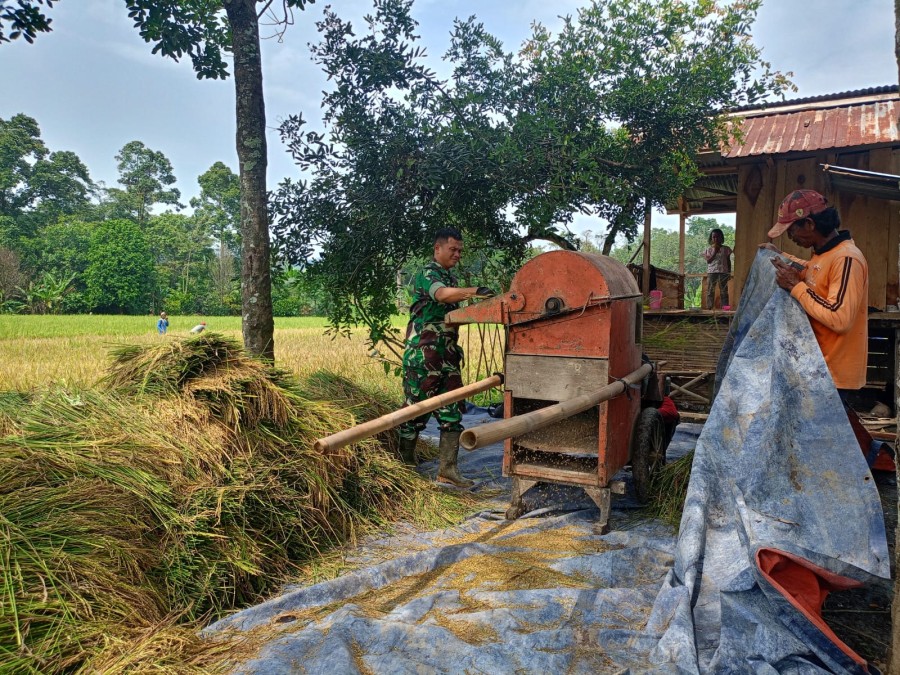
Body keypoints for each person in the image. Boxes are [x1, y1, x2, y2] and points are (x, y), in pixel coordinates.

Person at [761, 189, 893, 470]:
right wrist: (780, 257)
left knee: (819, 451)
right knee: (817, 442)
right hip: (818, 369)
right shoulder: (825, 256)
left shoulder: (847, 259)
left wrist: (794, 287)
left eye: (791, 230)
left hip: (833, 373)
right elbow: (810, 271)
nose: (790, 237)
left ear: (809, 224)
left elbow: (839, 316)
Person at [397, 228, 495, 486]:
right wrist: (474, 291)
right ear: (437, 249)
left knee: (452, 414)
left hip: (448, 359)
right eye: (453, 249)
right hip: (423, 359)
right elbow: (441, 295)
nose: (458, 255)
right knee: (415, 413)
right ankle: (404, 467)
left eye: (461, 251)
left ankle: (448, 471)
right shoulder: (427, 274)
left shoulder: (449, 278)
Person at [703, 228, 733, 310]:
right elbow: (709, 261)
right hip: (712, 272)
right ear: (711, 238)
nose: (716, 239)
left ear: (721, 238)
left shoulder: (726, 249)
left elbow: (728, 261)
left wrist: (729, 273)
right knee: (710, 291)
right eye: (714, 237)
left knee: (724, 291)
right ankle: (709, 308)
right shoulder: (708, 250)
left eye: (718, 237)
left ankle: (726, 309)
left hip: (724, 272)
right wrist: (715, 252)